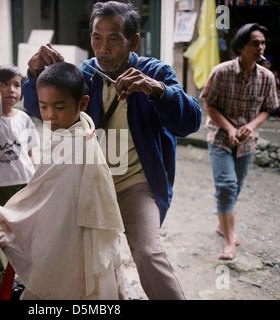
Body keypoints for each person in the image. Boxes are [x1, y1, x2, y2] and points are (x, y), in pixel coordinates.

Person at [23, 1, 202, 300]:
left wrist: (157, 90)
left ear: (133, 41)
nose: (103, 48)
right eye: (96, 37)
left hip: (135, 183)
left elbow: (191, 121)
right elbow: (38, 107)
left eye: (113, 38)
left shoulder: (155, 71)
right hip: (92, 181)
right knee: (98, 254)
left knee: (147, 252)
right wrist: (33, 74)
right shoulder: (85, 75)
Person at [0, 62, 124, 300]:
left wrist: (9, 215)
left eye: (59, 106)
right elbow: (44, 187)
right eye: (43, 107)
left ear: (83, 103)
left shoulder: (77, 143)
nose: (50, 115)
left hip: (69, 230)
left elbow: (44, 194)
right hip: (67, 225)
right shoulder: (77, 127)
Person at [201, 23, 278, 260]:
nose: (260, 47)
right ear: (241, 47)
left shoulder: (266, 77)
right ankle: (228, 242)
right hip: (221, 137)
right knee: (226, 185)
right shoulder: (221, 72)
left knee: (237, 185)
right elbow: (208, 104)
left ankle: (222, 222)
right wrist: (230, 128)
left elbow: (268, 108)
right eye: (255, 43)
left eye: (263, 43)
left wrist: (251, 126)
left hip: (247, 141)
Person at [0, 65, 39, 221]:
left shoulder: (24, 119)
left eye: (16, 85)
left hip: (25, 182)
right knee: (2, 224)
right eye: (5, 84)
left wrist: (35, 179)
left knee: (25, 222)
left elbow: (30, 153)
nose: (12, 89)